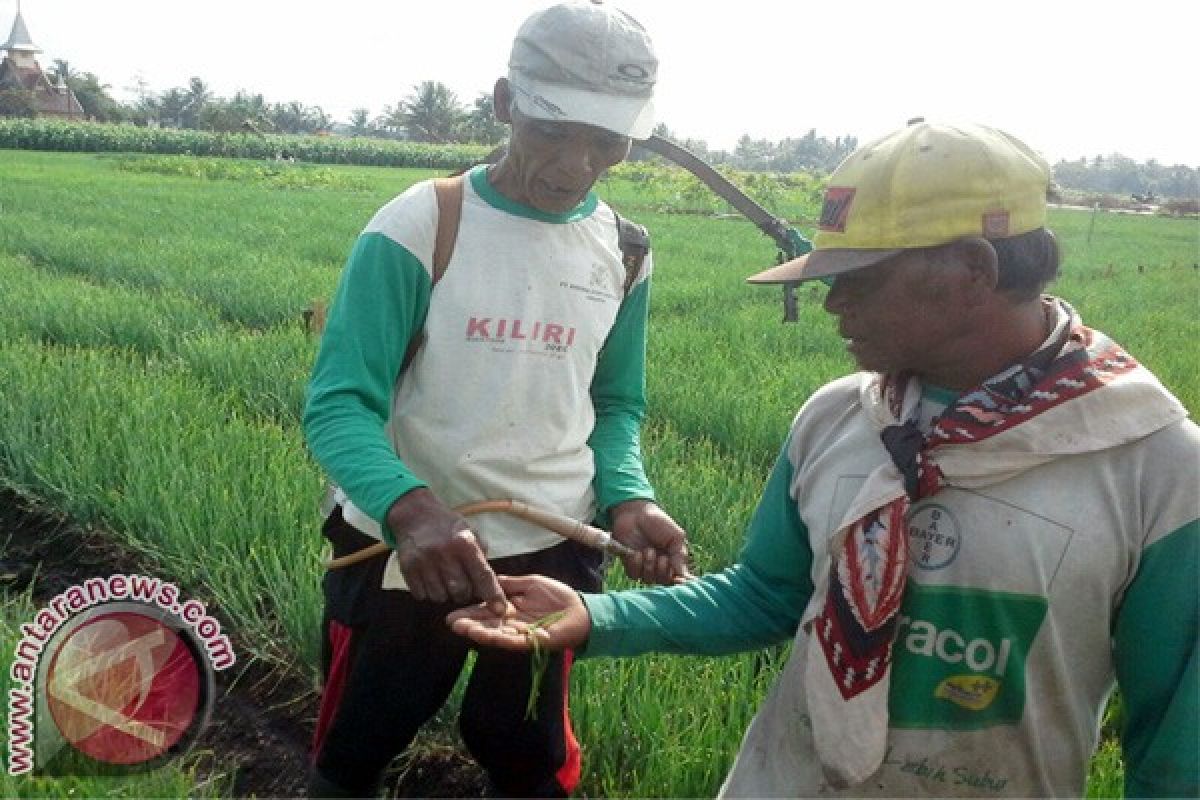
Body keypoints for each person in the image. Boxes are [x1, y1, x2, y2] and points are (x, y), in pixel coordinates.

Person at [449, 120, 1200, 798]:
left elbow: (1175, 750)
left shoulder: (1153, 466)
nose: (832, 303)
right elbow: (765, 597)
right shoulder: (841, 415)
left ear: (972, 269)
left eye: (859, 278)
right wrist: (594, 612)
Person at [301, 2, 689, 796]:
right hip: (407, 553)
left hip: (554, 552)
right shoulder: (423, 223)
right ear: (506, 103)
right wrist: (412, 511)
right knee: (357, 747)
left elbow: (614, 406)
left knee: (526, 753)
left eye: (606, 142)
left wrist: (628, 498)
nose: (575, 165)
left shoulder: (626, 249)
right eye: (553, 131)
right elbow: (339, 403)